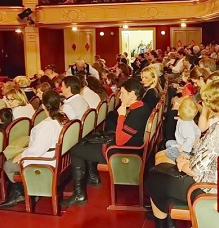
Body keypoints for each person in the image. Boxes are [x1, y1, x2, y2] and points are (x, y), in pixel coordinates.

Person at [147, 79, 219, 227]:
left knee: (155, 176)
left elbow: (195, 170)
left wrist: (183, 163)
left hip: (212, 188)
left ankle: (163, 224)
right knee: (162, 169)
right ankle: (166, 216)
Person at [60, 78, 152, 207]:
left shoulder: (137, 113)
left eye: (123, 93)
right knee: (85, 143)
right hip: (126, 145)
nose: (120, 96)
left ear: (132, 94)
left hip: (123, 150)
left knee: (76, 150)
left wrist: (121, 115)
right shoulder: (142, 106)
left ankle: (79, 194)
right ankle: (93, 178)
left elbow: (120, 141)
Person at [0, 90, 68, 208]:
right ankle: (25, 192)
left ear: (44, 106)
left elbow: (37, 150)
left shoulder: (46, 125)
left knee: (8, 165)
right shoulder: (64, 118)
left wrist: (22, 155)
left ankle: (21, 193)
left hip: (47, 161)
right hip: (61, 158)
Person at [161, 98, 200, 163]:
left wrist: (182, 149)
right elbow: (197, 130)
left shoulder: (186, 126)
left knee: (169, 152)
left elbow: (190, 139)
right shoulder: (188, 119)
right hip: (180, 142)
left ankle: (185, 157)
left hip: (185, 148)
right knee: (168, 143)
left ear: (178, 112)